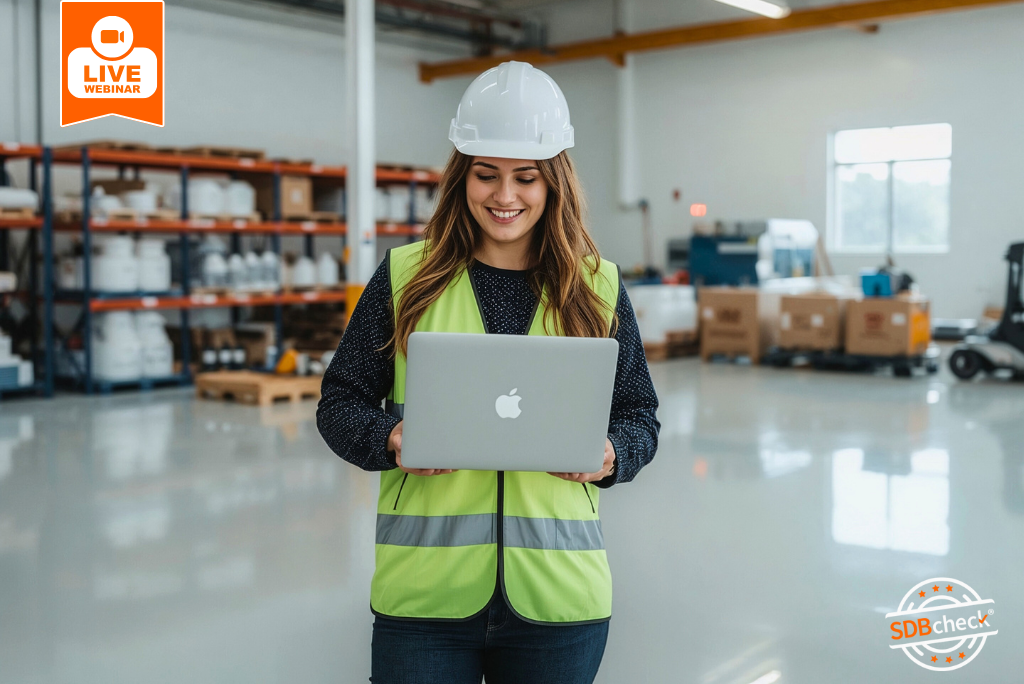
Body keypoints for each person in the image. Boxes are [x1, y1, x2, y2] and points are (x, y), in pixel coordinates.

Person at [317, 60, 660, 684]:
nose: (505, 197)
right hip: (424, 596)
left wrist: (612, 454)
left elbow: (640, 417)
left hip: (558, 596)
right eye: (486, 175)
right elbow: (339, 402)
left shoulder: (598, 288)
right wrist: (389, 438)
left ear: (554, 183)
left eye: (525, 178)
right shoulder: (405, 278)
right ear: (462, 177)